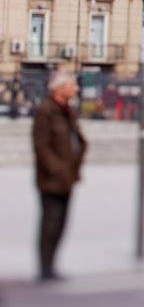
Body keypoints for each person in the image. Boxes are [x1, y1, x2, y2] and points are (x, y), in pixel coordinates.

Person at [33, 72, 86, 282]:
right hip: (51, 179)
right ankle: (45, 267)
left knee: (62, 222)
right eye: (72, 85)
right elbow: (41, 145)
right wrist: (57, 169)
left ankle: (52, 265)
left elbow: (77, 139)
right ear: (58, 88)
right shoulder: (46, 111)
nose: (76, 89)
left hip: (68, 177)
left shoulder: (67, 111)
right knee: (50, 222)